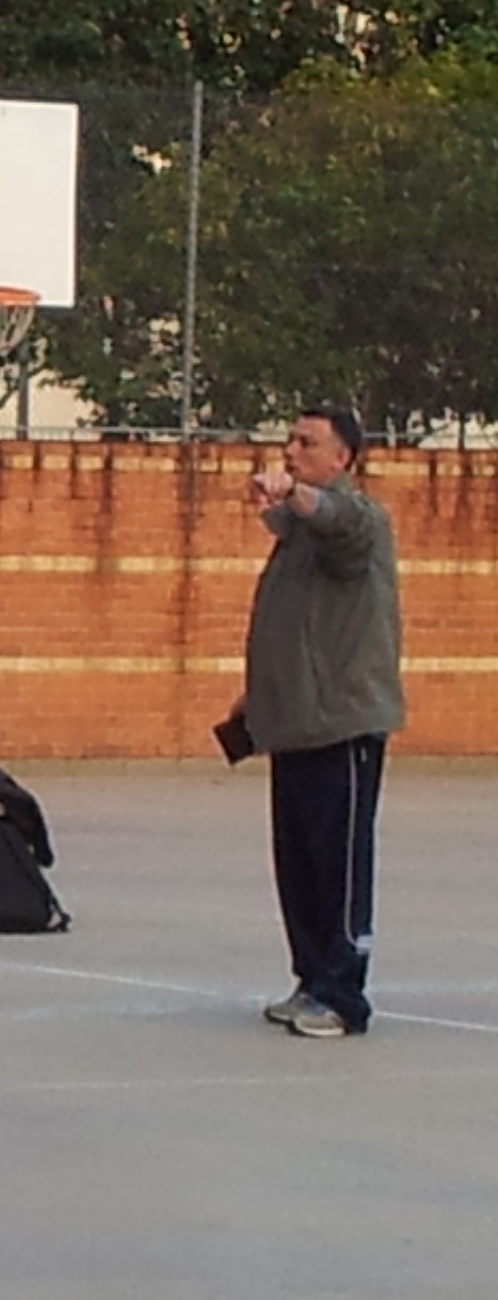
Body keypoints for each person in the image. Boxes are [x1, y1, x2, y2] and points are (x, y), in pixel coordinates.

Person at [233, 405, 403, 1039]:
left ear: (342, 458)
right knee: (299, 862)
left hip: (342, 724)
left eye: (308, 443)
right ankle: (311, 980)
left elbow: (340, 519)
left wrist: (294, 495)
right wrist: (256, 697)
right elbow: (297, 626)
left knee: (339, 864)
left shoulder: (359, 521)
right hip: (294, 721)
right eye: (289, 440)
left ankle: (343, 994)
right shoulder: (296, 542)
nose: (292, 450)